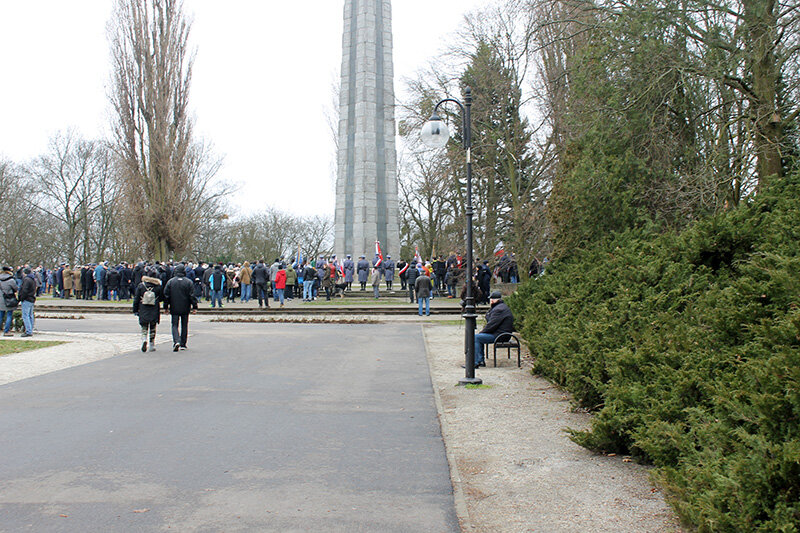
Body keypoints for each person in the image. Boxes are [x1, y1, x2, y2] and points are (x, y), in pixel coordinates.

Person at [472, 291, 515, 368]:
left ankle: (476, 362)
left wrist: (482, 332)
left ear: (492, 300)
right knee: (478, 337)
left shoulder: (498, 309)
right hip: (503, 333)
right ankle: (480, 360)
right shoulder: (501, 307)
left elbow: (491, 325)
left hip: (500, 335)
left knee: (476, 337)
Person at [163, 264, 198, 351]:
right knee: (184, 325)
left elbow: (166, 295)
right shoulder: (188, 282)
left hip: (174, 306)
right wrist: (194, 307)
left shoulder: (171, 282)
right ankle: (183, 343)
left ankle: (176, 340)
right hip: (185, 306)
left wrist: (166, 307)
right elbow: (192, 296)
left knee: (174, 324)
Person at [133, 267, 163, 352]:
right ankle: (151, 344)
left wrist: (135, 309)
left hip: (143, 308)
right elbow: (161, 298)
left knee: (144, 327)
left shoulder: (141, 286)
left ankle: (144, 339)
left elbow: (136, 298)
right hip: (154, 308)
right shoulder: (158, 286)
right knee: (153, 327)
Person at [18, 267, 37, 337]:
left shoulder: (26, 280)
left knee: (25, 316)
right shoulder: (33, 279)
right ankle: (30, 329)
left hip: (27, 299)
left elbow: (24, 290)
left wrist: (21, 298)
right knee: (30, 315)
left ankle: (28, 331)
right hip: (32, 298)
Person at [0, 266, 19, 336]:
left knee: (1, 315)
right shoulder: (11, 280)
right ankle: (6, 331)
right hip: (9, 299)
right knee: (9, 315)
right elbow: (16, 288)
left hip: (0, 299)